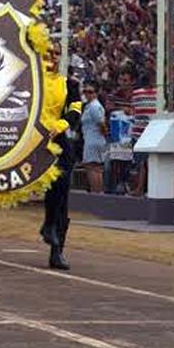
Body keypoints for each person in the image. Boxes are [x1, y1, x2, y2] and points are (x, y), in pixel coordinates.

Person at [39, 46, 82, 270]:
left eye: (55, 55)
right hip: (33, 140)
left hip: (57, 138)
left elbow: (75, 109)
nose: (52, 58)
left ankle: (57, 250)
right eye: (48, 54)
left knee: (62, 189)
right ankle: (48, 225)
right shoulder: (32, 80)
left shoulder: (69, 83)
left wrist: (60, 125)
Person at [80, 83, 106, 193]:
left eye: (90, 92)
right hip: (91, 138)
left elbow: (101, 124)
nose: (87, 94)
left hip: (94, 139)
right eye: (85, 92)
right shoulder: (89, 106)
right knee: (94, 167)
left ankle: (97, 192)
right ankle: (97, 192)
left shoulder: (95, 106)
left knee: (92, 167)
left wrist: (103, 134)